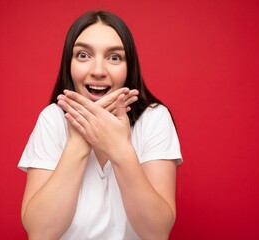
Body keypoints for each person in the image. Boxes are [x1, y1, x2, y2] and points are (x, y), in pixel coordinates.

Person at [18, 10, 182, 240]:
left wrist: (120, 149)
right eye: (83, 55)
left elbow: (157, 233)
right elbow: (40, 232)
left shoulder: (154, 119)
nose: (97, 71)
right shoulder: (52, 119)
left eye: (114, 57)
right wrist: (79, 141)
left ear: (129, 67)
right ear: (69, 64)